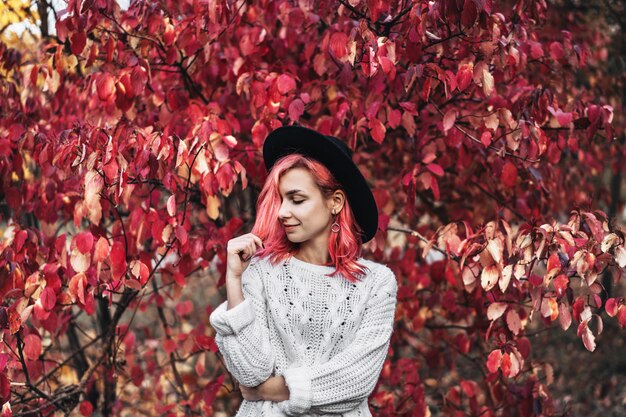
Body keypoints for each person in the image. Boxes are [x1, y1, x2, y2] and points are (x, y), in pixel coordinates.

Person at [209, 125, 398, 416]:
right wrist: (234, 280)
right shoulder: (260, 271)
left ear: (335, 202)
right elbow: (250, 372)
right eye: (281, 199)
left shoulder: (376, 284)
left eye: (297, 200)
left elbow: (355, 382)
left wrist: (267, 391)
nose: (282, 211)